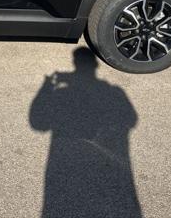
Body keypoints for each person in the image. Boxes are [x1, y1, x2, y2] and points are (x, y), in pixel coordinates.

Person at [29, 47, 142, 218]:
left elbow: (38, 124)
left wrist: (46, 87)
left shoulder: (62, 92)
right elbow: (131, 120)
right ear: (96, 65)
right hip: (110, 163)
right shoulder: (115, 92)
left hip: (66, 164)